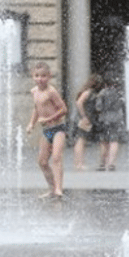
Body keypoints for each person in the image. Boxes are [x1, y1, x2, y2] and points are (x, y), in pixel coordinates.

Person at [25, 61, 67, 200]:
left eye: (43, 76)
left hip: (58, 128)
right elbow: (36, 108)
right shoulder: (34, 92)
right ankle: (52, 189)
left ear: (49, 76)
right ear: (33, 76)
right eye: (37, 76)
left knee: (56, 157)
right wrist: (31, 124)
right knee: (42, 162)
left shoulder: (51, 92)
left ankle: (59, 189)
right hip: (46, 130)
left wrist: (49, 118)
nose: (40, 79)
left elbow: (63, 109)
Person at [94, 74, 126, 171]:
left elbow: (98, 107)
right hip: (116, 118)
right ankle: (112, 164)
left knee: (104, 142)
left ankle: (103, 164)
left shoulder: (102, 93)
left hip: (104, 119)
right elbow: (122, 105)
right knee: (114, 141)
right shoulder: (119, 93)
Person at [72, 73, 103, 171]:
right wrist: (84, 116)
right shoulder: (89, 92)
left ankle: (78, 163)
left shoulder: (87, 91)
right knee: (81, 140)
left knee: (81, 140)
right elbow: (79, 103)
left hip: (84, 118)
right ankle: (79, 164)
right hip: (84, 119)